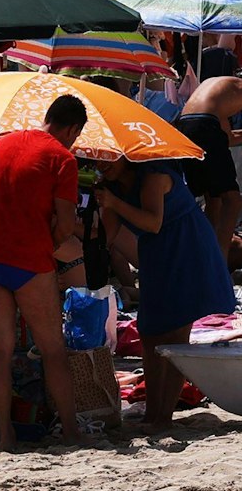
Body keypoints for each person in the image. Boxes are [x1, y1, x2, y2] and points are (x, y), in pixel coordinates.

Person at [0, 96, 89, 450]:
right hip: (28, 258)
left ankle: (5, 435)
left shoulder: (2, 143)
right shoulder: (62, 158)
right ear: (72, 129)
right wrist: (50, 244)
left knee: (0, 351)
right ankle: (70, 431)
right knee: (52, 349)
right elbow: (65, 226)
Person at [97, 154, 236, 430]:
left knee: (175, 334)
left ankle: (164, 416)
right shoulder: (111, 188)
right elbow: (105, 237)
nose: (103, 164)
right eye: (99, 160)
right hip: (157, 254)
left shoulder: (153, 175)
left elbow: (152, 222)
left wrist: (114, 203)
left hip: (187, 246)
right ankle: (153, 412)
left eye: (110, 158)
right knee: (149, 332)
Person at [171, 72, 242, 242]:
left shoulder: (222, 89)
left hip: (187, 124)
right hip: (205, 124)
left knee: (214, 199)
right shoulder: (237, 89)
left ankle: (206, 250)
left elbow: (228, 139)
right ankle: (220, 260)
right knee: (232, 201)